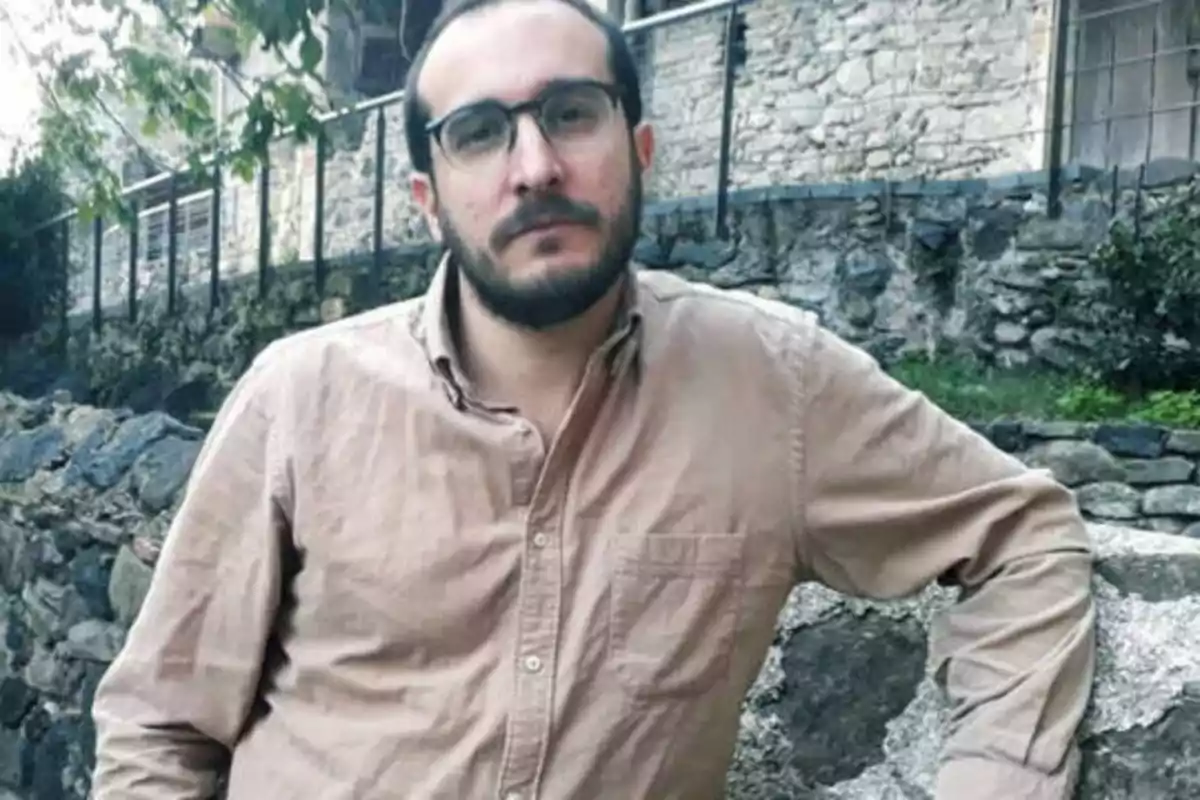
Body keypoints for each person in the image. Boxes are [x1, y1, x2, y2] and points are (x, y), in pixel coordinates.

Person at [89, 0, 1097, 797]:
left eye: (571, 113)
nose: (536, 167)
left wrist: (995, 775)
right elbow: (161, 726)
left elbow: (1022, 531)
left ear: (640, 151)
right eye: (479, 133)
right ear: (428, 198)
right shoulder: (300, 396)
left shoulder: (774, 385)